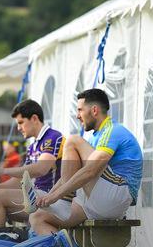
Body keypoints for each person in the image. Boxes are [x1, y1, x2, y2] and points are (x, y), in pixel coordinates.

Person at [32, 88, 143, 234]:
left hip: (117, 195)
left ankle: (63, 200)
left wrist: (55, 196)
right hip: (98, 200)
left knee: (72, 140)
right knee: (38, 217)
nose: (77, 116)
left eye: (80, 110)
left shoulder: (112, 130)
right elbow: (72, 175)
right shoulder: (94, 138)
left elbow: (91, 171)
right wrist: (47, 197)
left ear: (94, 110)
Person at [0, 100, 71, 230]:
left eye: (21, 122)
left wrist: (4, 171)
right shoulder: (33, 146)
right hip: (36, 196)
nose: (18, 128)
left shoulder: (53, 136)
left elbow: (41, 169)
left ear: (34, 118)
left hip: (52, 197)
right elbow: (20, 179)